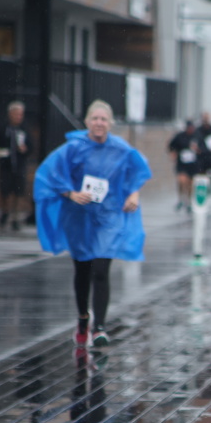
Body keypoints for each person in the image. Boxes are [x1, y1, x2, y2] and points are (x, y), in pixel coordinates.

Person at [33, 100, 151, 348]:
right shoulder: (73, 148)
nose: (99, 123)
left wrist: (133, 195)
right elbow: (49, 175)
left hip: (108, 217)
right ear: (87, 121)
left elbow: (137, 172)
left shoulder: (121, 149)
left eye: (104, 119)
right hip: (79, 217)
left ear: (111, 123)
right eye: (95, 118)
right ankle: (83, 317)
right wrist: (71, 194)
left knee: (100, 269)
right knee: (83, 270)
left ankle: (100, 327)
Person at [0, 101, 32, 231]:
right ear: (10, 114)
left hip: (20, 166)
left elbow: (31, 147)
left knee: (19, 191)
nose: (18, 117)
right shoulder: (3, 128)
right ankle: (5, 211)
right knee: (4, 190)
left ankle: (15, 217)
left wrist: (25, 149)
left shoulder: (25, 129)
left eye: (20, 114)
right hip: (6, 166)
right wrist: (2, 153)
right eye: (16, 114)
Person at [168, 120, 200, 213]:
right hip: (182, 164)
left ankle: (188, 201)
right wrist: (173, 153)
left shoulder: (197, 136)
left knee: (190, 184)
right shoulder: (180, 136)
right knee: (181, 181)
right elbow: (171, 146)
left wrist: (198, 150)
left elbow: (203, 149)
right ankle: (180, 198)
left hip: (193, 165)